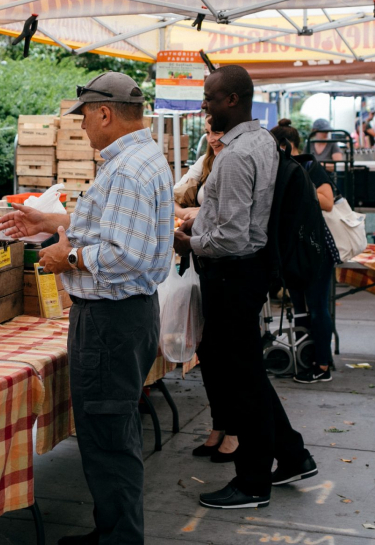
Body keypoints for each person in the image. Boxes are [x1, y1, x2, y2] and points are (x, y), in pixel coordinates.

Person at [0, 72, 174, 544]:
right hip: (122, 317)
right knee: (107, 433)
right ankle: (112, 532)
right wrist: (51, 219)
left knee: (109, 437)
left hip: (111, 320)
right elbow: (108, 224)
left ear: (104, 113)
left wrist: (66, 257)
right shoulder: (137, 157)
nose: (81, 129)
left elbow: (124, 254)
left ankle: (119, 539)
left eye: (84, 119)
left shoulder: (129, 168)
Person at [173, 65, 318, 510]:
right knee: (246, 374)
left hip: (232, 274)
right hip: (244, 272)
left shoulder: (237, 155)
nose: (204, 106)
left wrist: (188, 239)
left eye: (210, 98)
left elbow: (233, 237)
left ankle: (253, 483)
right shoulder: (259, 141)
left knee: (242, 381)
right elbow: (240, 217)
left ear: (232, 100)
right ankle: (293, 455)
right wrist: (203, 220)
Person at [175, 116, 238, 463]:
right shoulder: (207, 162)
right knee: (210, 351)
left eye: (219, 131)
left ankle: (235, 432)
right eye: (210, 132)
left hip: (229, 271)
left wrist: (198, 215)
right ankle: (219, 425)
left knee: (226, 353)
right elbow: (174, 199)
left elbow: (228, 219)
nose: (213, 138)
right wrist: (194, 212)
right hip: (205, 268)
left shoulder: (238, 160)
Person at [270, 118, 339, 384]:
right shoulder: (280, 169)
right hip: (293, 249)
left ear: (286, 145)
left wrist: (298, 185)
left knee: (318, 306)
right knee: (299, 306)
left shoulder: (310, 166)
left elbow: (328, 202)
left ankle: (322, 366)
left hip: (315, 248)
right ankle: (305, 357)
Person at [174, 115, 223, 221]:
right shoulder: (205, 161)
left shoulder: (238, 163)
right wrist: (182, 213)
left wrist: (203, 212)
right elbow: (169, 197)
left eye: (217, 132)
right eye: (207, 132)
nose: (210, 139)